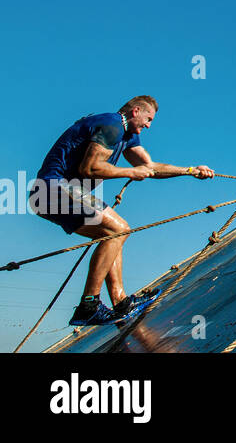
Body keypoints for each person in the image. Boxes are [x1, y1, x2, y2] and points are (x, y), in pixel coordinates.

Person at [27, 96, 214, 326]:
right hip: (52, 189)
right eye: (148, 119)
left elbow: (150, 167)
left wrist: (190, 170)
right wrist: (130, 173)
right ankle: (89, 306)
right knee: (119, 229)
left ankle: (120, 301)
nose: (149, 126)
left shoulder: (127, 134)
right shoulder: (112, 125)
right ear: (135, 111)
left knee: (112, 234)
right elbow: (90, 168)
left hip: (51, 195)